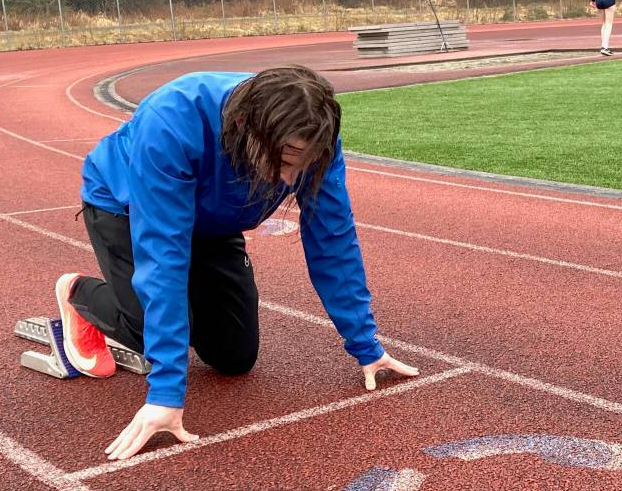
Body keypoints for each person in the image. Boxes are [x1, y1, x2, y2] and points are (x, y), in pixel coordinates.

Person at [55, 66, 419, 461]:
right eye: (283, 162)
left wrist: (365, 344)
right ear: (246, 127)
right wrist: (165, 394)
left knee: (234, 357)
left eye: (303, 166)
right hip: (125, 206)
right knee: (154, 324)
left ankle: (152, 313)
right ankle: (80, 295)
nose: (290, 180)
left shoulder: (314, 137)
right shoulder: (172, 120)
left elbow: (332, 240)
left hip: (215, 221)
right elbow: (163, 260)